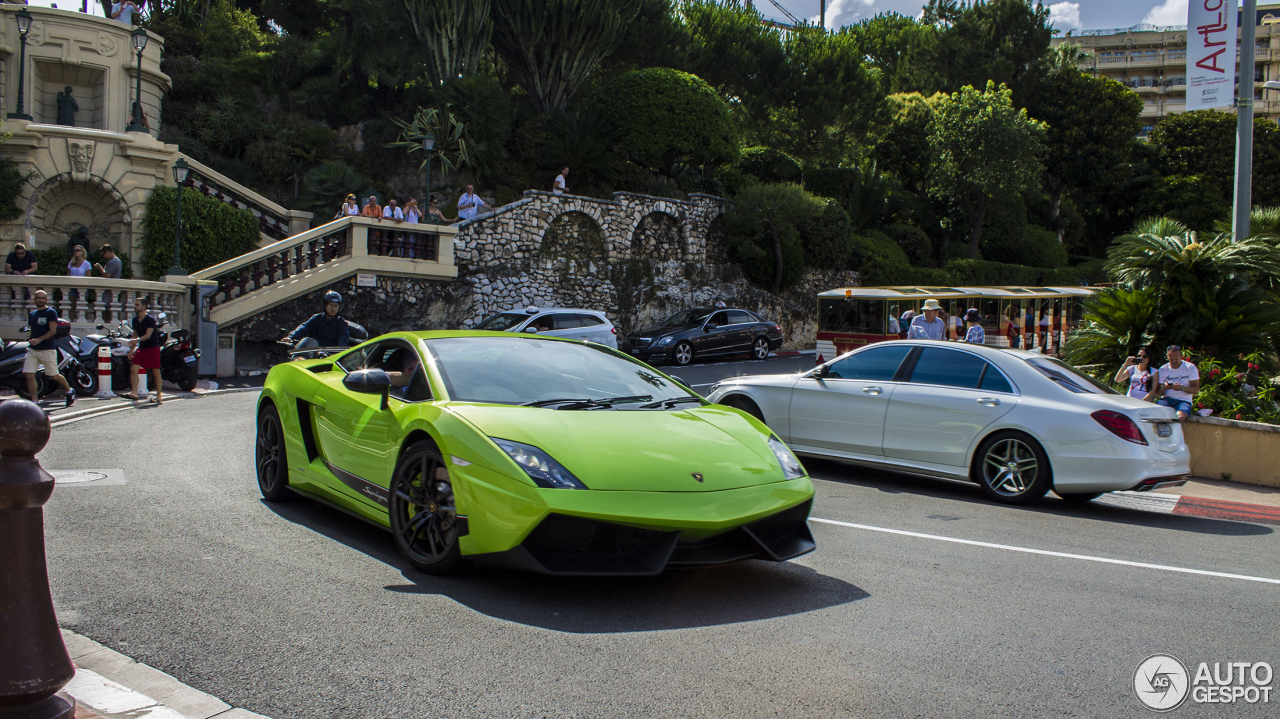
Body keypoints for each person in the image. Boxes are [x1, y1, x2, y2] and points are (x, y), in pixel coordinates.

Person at [24, 290, 75, 407]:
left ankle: (69, 390)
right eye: (38, 298)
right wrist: (30, 339)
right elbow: (33, 330)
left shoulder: (50, 312)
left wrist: (39, 340)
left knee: (54, 375)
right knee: (29, 374)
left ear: (46, 299)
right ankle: (35, 401)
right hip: (33, 349)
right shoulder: (32, 314)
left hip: (47, 349)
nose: (40, 300)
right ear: (34, 299)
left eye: (43, 298)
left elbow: (53, 331)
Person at [122, 297, 163, 404]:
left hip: (152, 348)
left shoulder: (150, 320)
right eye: (135, 304)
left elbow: (148, 335)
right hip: (142, 348)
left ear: (144, 307)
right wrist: (131, 350)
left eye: (137, 305)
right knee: (133, 369)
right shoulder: (135, 320)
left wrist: (137, 340)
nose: (134, 306)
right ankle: (134, 392)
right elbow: (135, 334)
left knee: (156, 372)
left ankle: (159, 395)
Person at [282, 291, 351, 349]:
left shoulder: (342, 324)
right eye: (331, 305)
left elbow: (343, 340)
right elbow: (304, 327)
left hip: (329, 357)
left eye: (336, 306)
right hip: (313, 353)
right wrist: (290, 337)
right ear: (325, 305)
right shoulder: (317, 318)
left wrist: (339, 352)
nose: (333, 309)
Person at [1153, 345, 1199, 423]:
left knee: (1179, 418)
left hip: (1183, 400)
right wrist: (1164, 388)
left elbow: (1196, 389)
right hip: (1166, 400)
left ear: (1181, 356)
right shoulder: (1163, 369)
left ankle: (1174, 434)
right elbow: (1158, 393)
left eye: (1176, 359)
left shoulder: (1190, 367)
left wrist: (1182, 388)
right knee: (1155, 413)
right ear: (1167, 357)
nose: (1174, 362)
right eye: (1171, 359)